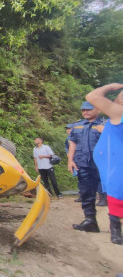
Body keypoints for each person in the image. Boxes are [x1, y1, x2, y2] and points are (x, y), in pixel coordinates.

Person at [87, 83, 123, 245]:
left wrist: (111, 86)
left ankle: (116, 231)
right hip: (114, 162)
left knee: (117, 193)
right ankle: (115, 231)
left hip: (117, 164)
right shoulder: (115, 116)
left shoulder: (118, 111)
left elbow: (92, 97)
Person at [68, 101, 105, 232]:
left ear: (98, 110)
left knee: (114, 194)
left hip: (103, 165)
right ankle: (90, 221)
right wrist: (70, 160)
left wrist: (106, 132)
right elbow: (73, 143)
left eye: (88, 109)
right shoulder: (77, 126)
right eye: (83, 110)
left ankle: (116, 226)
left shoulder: (105, 125)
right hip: (83, 164)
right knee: (86, 193)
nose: (85, 112)